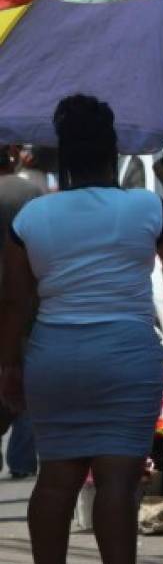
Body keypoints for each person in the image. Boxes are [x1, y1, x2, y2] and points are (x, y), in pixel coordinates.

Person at [0, 95, 163, 564]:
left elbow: (15, 301)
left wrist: (8, 367)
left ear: (64, 155)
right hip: (124, 352)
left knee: (56, 474)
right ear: (112, 153)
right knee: (116, 476)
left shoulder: (34, 215)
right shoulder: (143, 206)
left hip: (54, 355)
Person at [0, 144, 41, 478]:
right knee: (26, 383)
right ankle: (22, 461)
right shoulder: (29, 192)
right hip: (26, 301)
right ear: (11, 158)